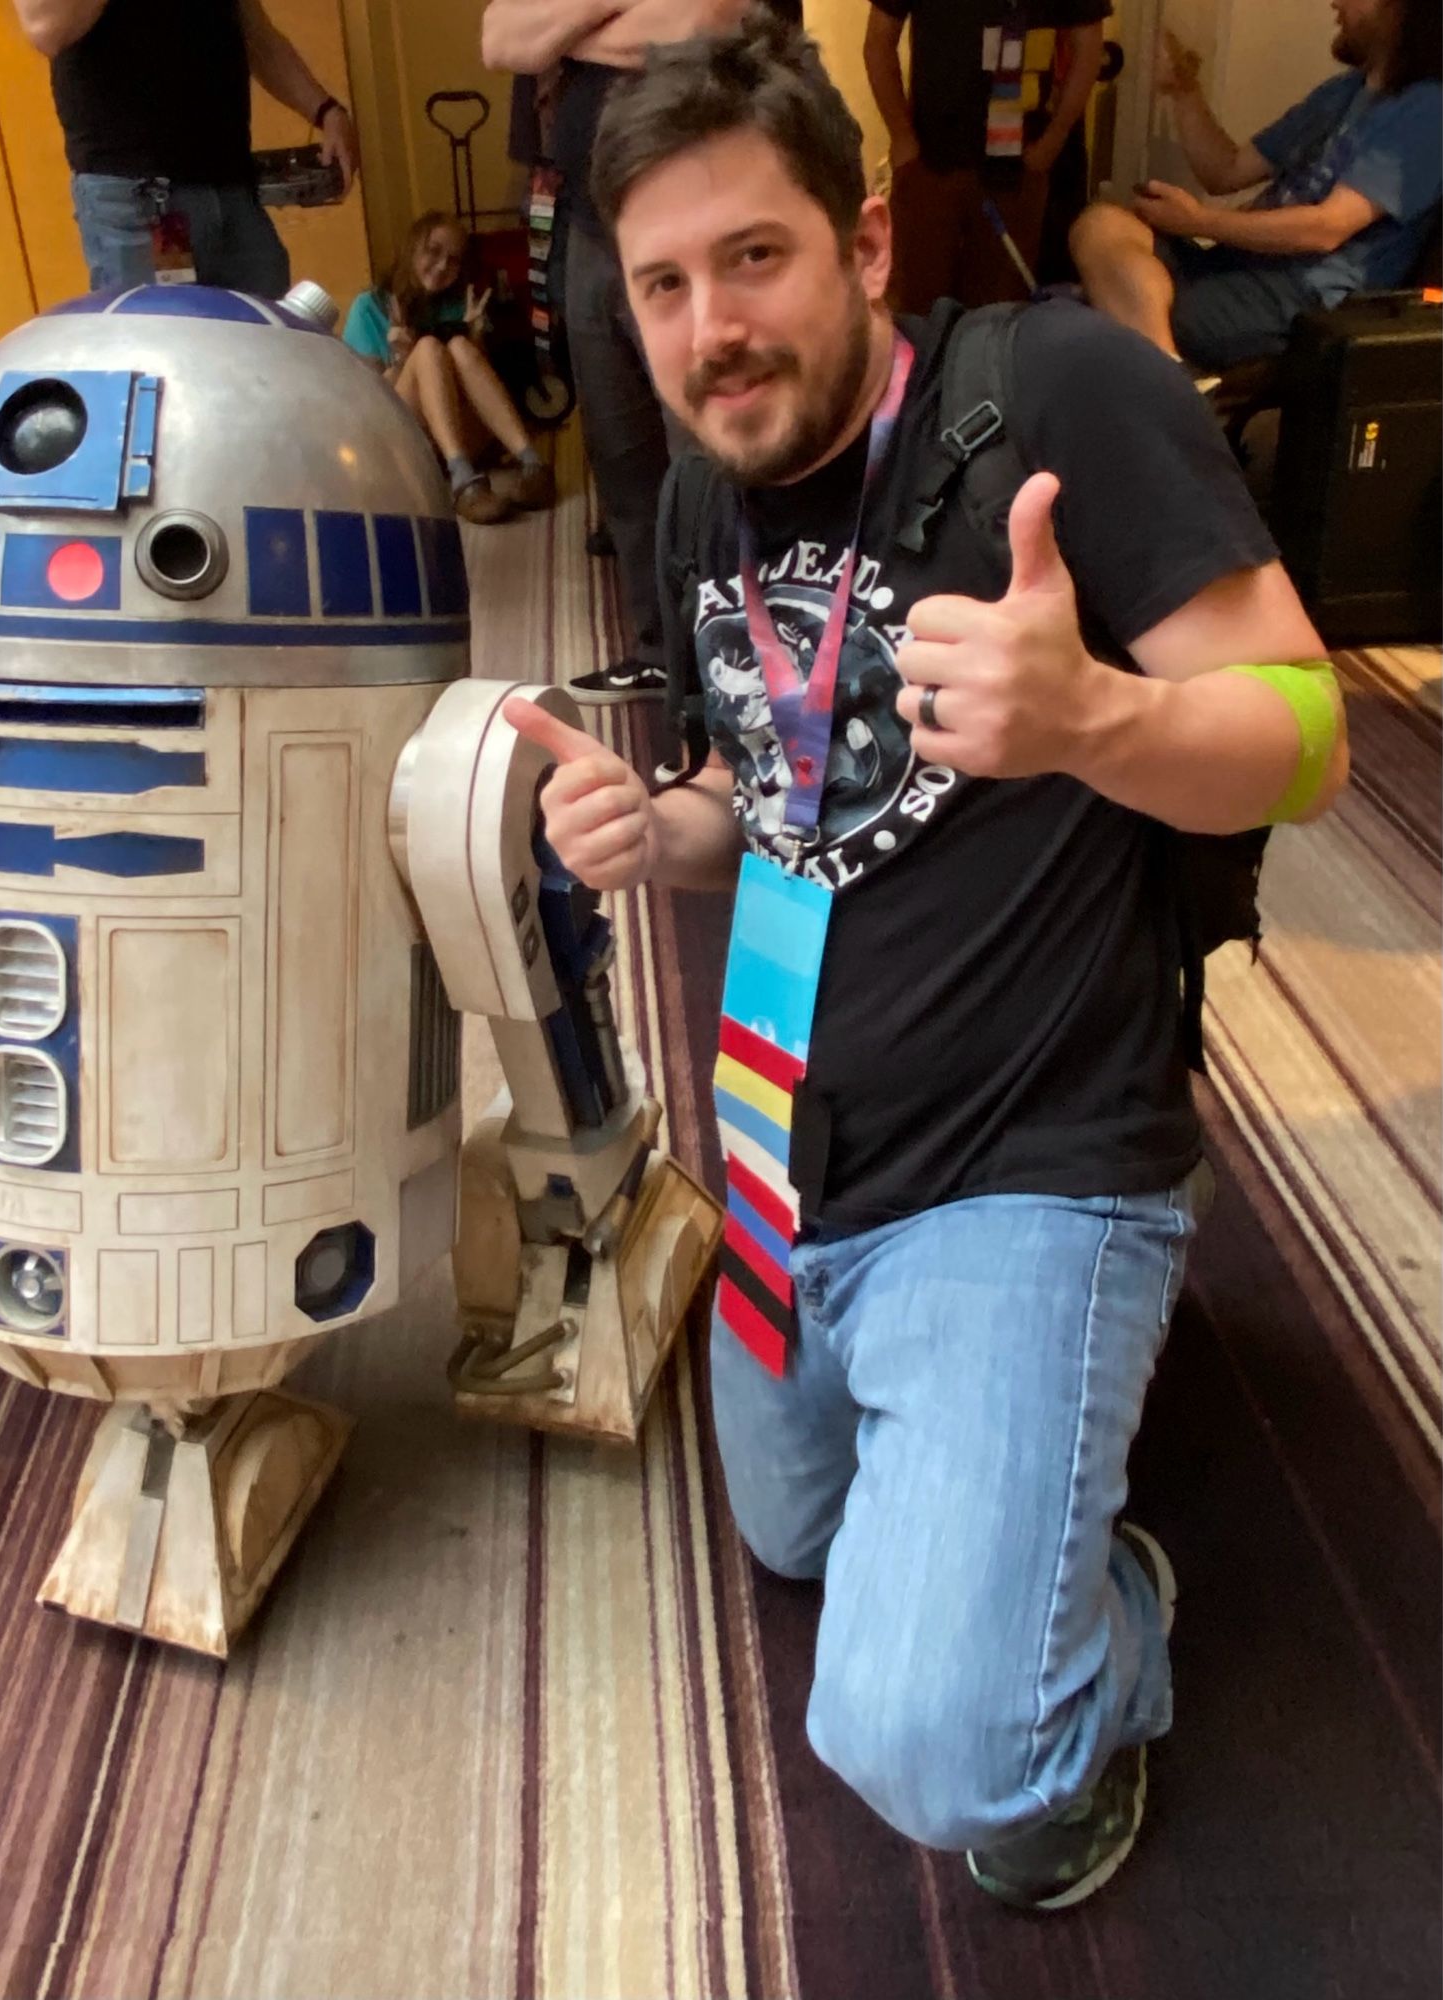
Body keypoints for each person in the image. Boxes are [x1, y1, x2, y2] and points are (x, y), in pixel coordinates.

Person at [505, 9, 1348, 1911]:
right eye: (662, 284)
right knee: (792, 1541)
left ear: (865, 246)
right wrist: (674, 827)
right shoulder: (700, 491)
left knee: (945, 1753)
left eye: (756, 257)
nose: (713, 326)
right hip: (791, 1146)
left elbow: (1310, 729)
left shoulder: (1055, 396)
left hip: (1034, 1154)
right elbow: (778, 776)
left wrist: (1097, 726)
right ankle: (995, 1482)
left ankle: (1113, 1608)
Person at [482, 0, 793, 705]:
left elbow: (708, 22)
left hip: (695, 211)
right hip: (589, 225)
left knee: (710, 454)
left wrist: (566, 34)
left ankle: (742, 653)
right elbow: (503, 39)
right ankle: (660, 651)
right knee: (621, 457)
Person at [1070, 0, 1442, 375]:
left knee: (1114, 310)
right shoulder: (1341, 92)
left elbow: (1325, 229)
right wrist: (1183, 91)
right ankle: (1171, 380)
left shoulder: (1427, 108)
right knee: (1102, 225)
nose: (1335, 2)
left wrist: (1197, 222)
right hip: (1235, 264)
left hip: (1299, 297)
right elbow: (1224, 171)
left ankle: (1166, 391)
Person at [13, 0, 360, 297]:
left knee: (263, 352)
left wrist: (325, 110)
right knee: (162, 360)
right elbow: (46, 26)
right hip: (137, 201)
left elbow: (256, 34)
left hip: (232, 188)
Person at [865, 0, 1107, 313]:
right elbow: (878, 41)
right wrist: (901, 139)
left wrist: (1052, 141)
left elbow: (1088, 49)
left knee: (1000, 314)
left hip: (1018, 169)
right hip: (928, 162)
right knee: (915, 310)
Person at [341, 212, 553, 526]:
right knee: (428, 349)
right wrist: (401, 360)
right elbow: (364, 408)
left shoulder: (458, 303)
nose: (442, 266)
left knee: (459, 348)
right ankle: (464, 480)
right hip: (402, 441)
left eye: (453, 260)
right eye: (434, 251)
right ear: (413, 247)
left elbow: (480, 393)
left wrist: (477, 339)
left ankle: (533, 465)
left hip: (459, 434)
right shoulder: (370, 306)